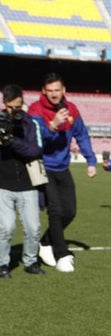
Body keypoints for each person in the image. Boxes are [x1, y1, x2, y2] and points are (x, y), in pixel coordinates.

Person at [27, 72, 97, 273]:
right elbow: (33, 140)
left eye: (57, 90)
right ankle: (62, 255)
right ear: (43, 91)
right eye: (50, 91)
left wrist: (91, 161)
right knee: (56, 210)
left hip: (62, 167)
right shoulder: (35, 110)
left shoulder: (71, 109)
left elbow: (82, 135)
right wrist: (53, 125)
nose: (54, 94)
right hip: (40, 165)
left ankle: (45, 242)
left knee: (70, 211)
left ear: (64, 90)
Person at [0, 84, 45, 278]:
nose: (14, 111)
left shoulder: (31, 123)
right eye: (10, 107)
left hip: (28, 184)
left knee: (33, 228)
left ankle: (31, 261)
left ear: (22, 102)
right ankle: (2, 264)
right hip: (3, 183)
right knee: (6, 228)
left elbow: (34, 151)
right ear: (4, 103)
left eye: (17, 107)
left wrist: (11, 140)